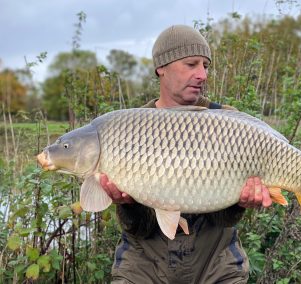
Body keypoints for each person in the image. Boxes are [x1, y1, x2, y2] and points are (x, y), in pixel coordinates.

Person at [100, 25, 273, 284]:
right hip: (145, 262)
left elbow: (223, 219)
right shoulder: (130, 129)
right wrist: (127, 203)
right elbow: (140, 228)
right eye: (191, 64)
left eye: (206, 66)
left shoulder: (227, 122)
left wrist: (240, 202)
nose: (202, 74)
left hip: (215, 260)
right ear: (161, 67)